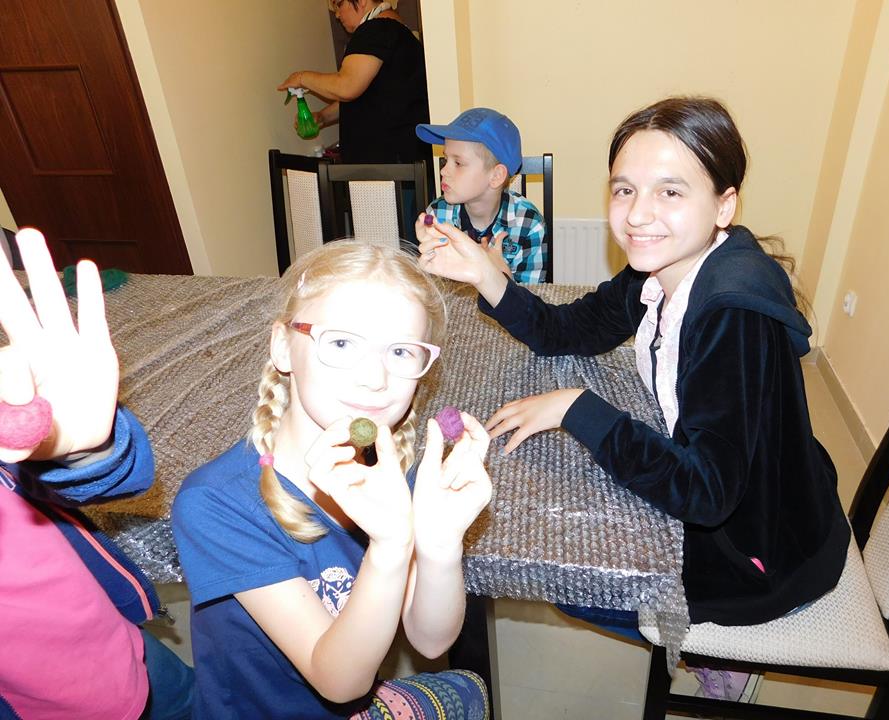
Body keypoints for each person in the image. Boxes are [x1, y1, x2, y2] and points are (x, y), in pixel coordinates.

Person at [416, 97, 850, 702]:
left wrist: (577, 408)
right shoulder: (660, 269)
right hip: (743, 486)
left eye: (670, 192)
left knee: (573, 575)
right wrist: (487, 276)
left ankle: (712, 648)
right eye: (624, 190)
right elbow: (566, 331)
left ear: (724, 204)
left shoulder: (731, 314)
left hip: (762, 547)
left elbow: (706, 494)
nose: (639, 215)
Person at [172, 241, 492, 719]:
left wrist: (440, 546)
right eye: (342, 343)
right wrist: (390, 547)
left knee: (470, 687)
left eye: (400, 351)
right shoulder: (216, 503)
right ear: (283, 346)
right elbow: (339, 683)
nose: (374, 378)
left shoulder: (391, 470)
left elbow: (430, 641)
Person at [0, 228, 194, 719]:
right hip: (36, 705)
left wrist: (80, 450)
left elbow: (126, 477)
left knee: (193, 703)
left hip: (124, 648)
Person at [277, 0, 431, 168]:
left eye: (339, 4)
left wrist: (302, 77)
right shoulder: (396, 32)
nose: (337, 14)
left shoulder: (376, 29)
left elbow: (347, 86)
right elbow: (367, 95)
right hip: (403, 160)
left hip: (388, 165)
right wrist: (323, 117)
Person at [416, 107, 549, 284]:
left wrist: (502, 278)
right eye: (446, 159)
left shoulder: (529, 224)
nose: (443, 170)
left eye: (458, 163)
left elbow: (532, 298)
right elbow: (434, 293)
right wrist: (426, 270)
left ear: (496, 176)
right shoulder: (437, 215)